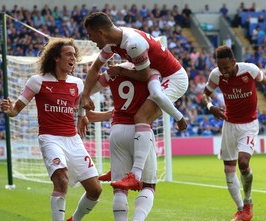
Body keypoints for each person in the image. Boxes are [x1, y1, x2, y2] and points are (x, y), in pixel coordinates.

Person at [0, 37, 102, 221]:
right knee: (61, 180)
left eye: (74, 55)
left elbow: (81, 106)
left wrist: (83, 116)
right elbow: (16, 110)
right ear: (56, 58)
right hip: (50, 138)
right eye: (68, 54)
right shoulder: (37, 81)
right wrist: (9, 109)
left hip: (73, 140)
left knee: (95, 190)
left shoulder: (77, 83)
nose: (73, 58)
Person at [81, 12, 188, 191]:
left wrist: (120, 71)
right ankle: (119, 168)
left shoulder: (133, 44)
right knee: (133, 111)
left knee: (141, 117)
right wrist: (85, 95)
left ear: (100, 32)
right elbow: (95, 68)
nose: (90, 40)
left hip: (173, 78)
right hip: (155, 73)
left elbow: (144, 75)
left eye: (90, 35)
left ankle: (135, 175)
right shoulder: (113, 42)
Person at [202, 45, 266, 221]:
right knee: (228, 169)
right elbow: (206, 94)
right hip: (229, 124)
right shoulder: (215, 75)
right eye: (220, 68)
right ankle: (240, 209)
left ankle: (248, 203)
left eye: (226, 67)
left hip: (249, 124)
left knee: (243, 162)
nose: (224, 72)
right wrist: (210, 106)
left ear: (234, 62)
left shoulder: (249, 70)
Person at [88, 62, 158, 221]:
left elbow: (91, 86)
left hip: (117, 130)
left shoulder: (113, 71)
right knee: (148, 185)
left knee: (119, 188)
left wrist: (84, 98)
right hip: (140, 130)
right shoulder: (149, 71)